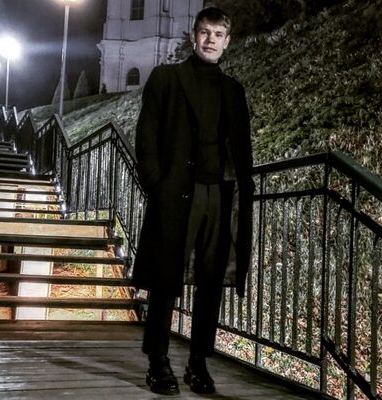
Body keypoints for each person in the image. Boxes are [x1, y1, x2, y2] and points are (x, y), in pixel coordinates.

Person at [132, 6, 255, 396]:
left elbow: (242, 148)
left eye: (218, 34)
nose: (210, 40)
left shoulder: (233, 90)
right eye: (205, 32)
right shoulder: (167, 78)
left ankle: (198, 362)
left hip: (221, 194)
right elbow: (146, 136)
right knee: (166, 280)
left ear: (227, 42)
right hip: (177, 194)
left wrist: (242, 189)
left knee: (211, 281)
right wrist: (157, 185)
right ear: (193, 35)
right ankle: (157, 361)